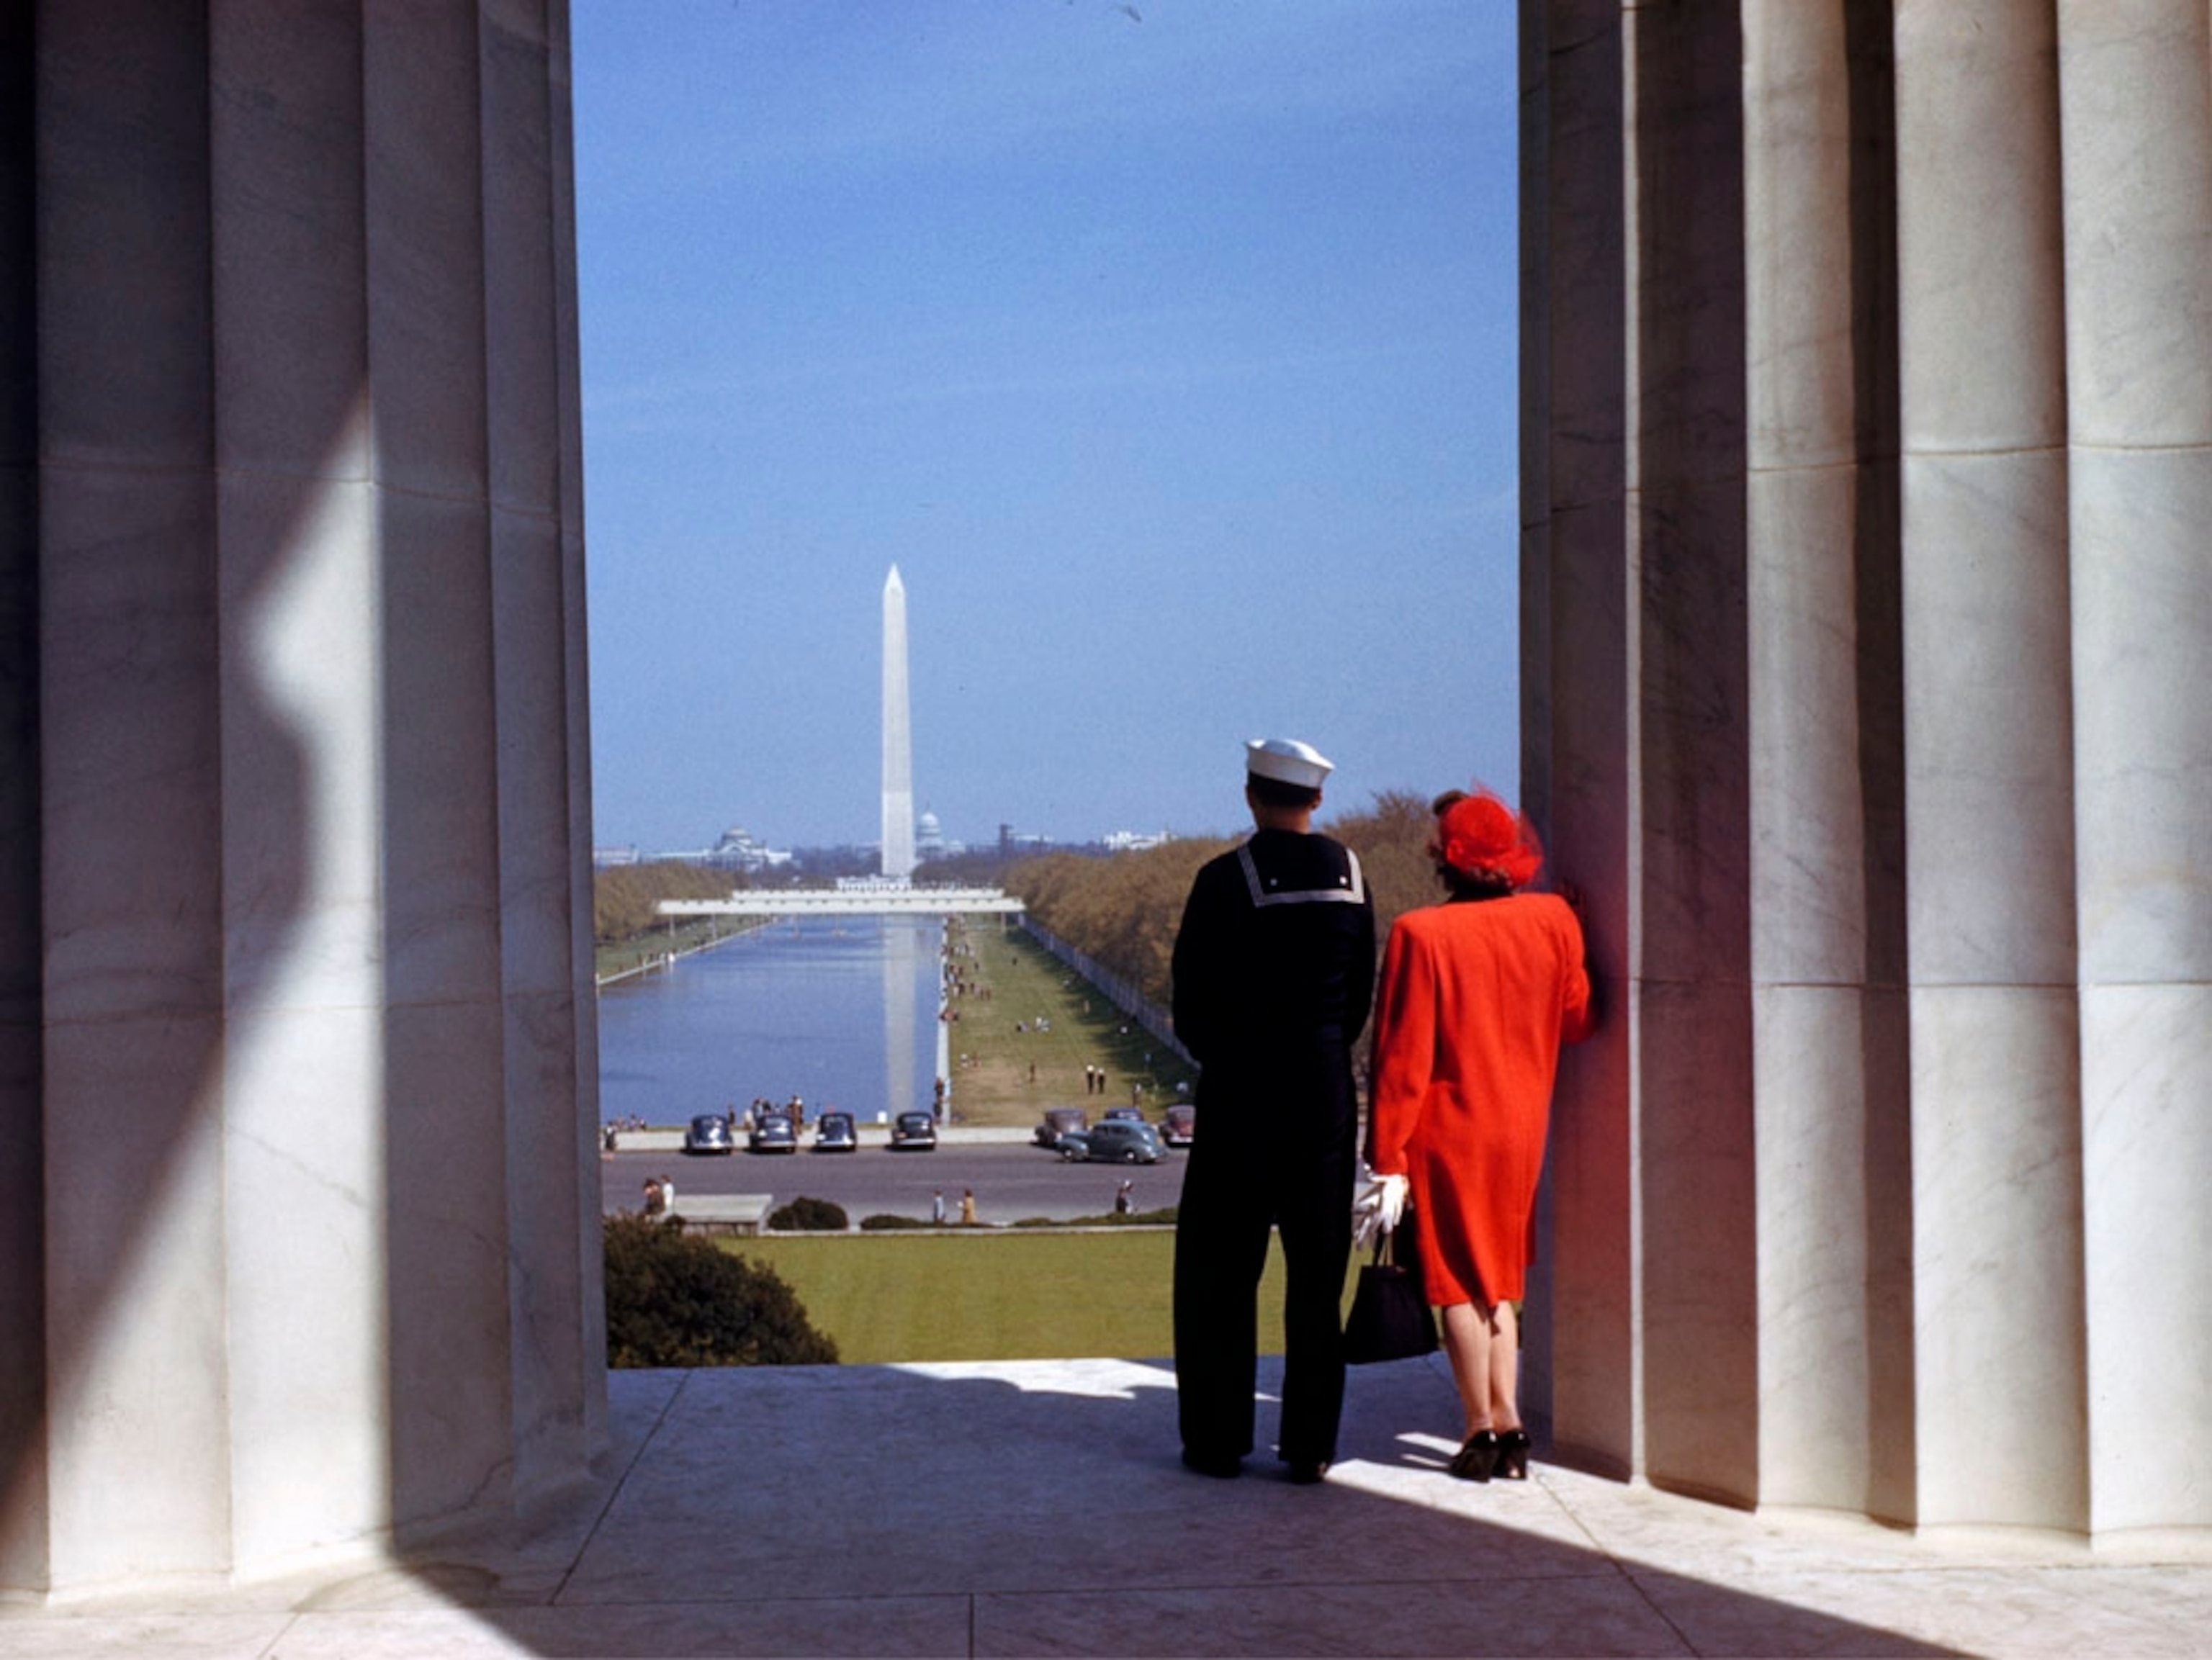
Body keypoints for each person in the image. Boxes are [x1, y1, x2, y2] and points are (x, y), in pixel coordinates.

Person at [1367, 788, 1593, 1484]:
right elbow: (1577, 1019)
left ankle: (1480, 1428)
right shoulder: (1555, 918)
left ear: (1446, 860)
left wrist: (1385, 1158)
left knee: (1457, 1286)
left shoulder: (1421, 934)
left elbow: (1401, 1062)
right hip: (1522, 1126)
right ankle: (1511, 1421)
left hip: (1449, 1130)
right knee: (1500, 1283)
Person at [1171, 737, 1376, 1485]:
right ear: (1316, 799)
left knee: (1222, 1271)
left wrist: (1232, 1060)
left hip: (1243, 1088)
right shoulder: (1354, 877)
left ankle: (1220, 1439)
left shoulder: (1224, 879)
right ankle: (1310, 1444)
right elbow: (1358, 996)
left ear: (1251, 796)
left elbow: (1188, 1004)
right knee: (1318, 1275)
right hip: (1322, 1092)